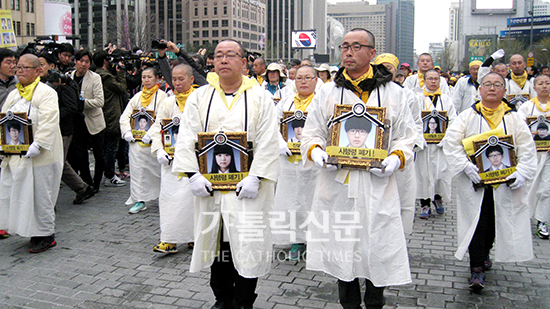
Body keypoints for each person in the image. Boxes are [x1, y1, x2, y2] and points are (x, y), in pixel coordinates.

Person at [300, 28, 415, 309]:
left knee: (378, 246)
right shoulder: (327, 92)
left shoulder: (394, 93)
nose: (348, 52)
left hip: (377, 185)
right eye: (344, 46)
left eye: (356, 46)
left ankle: (375, 301)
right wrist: (317, 154)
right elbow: (311, 133)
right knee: (343, 249)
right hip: (337, 184)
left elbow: (408, 136)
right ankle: (348, 304)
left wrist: (395, 159)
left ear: (372, 53)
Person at [171, 39, 279, 309]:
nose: (223, 60)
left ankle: (244, 300)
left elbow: (268, 140)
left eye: (231, 55)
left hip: (248, 188)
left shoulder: (260, 97)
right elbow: (186, 137)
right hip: (211, 188)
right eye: (218, 55)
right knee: (216, 243)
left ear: (244, 62)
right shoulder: (200, 96)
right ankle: (222, 298)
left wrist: (256, 176)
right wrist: (192, 174)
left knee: (247, 243)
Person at [442, 72, 537, 292]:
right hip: (475, 184)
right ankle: (476, 267)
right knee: (477, 221)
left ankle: (485, 253)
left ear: (504, 90)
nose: (492, 88)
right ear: (480, 89)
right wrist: (465, 166)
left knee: (495, 222)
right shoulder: (467, 116)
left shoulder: (514, 118)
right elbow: (451, 142)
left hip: (505, 185)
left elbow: (526, 148)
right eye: (487, 84)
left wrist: (521, 171)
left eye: (497, 85)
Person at [0, 53, 64, 253]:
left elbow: (49, 121)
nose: (19, 71)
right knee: (20, 194)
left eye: (24, 68)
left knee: (41, 197)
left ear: (38, 71)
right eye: (17, 67)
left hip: (41, 157)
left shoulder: (46, 92)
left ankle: (45, 234)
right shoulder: (14, 93)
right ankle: (26, 229)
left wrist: (38, 143)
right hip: (17, 154)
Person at [373, 53, 423, 234]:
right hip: (371, 156)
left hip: (398, 155)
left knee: (399, 198)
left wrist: (406, 149)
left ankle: (397, 237)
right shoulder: (367, 91)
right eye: (381, 66)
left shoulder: (406, 95)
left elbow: (416, 123)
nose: (385, 71)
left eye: (389, 67)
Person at [273, 65, 319, 260]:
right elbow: (272, 124)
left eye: (308, 77)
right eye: (300, 78)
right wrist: (280, 141)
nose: (303, 81)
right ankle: (295, 239)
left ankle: (314, 240)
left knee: (311, 201)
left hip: (313, 164)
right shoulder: (285, 103)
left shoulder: (321, 102)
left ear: (316, 80)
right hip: (289, 163)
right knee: (290, 201)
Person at [149, 64, 195, 254]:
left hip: (193, 160)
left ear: (191, 79)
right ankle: (169, 238)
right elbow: (156, 128)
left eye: (181, 79)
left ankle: (193, 236)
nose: (177, 83)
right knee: (169, 199)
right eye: (174, 79)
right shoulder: (167, 103)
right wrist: (158, 149)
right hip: (170, 161)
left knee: (191, 200)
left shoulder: (200, 100)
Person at [38, 51, 95, 205]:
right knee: (59, 164)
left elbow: (72, 108)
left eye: (41, 64)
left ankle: (50, 202)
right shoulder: (40, 84)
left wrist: (50, 115)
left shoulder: (65, 84)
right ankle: (82, 188)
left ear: (52, 66)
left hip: (63, 131)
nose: (39, 68)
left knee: (55, 165)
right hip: (48, 130)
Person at [120, 67, 167, 214]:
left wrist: (151, 134)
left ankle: (163, 199)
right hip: (137, 143)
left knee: (158, 173)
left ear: (156, 78)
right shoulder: (137, 97)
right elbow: (125, 115)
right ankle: (139, 200)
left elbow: (162, 118)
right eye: (144, 77)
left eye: (149, 77)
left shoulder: (162, 97)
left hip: (153, 143)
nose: (146, 80)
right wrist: (127, 131)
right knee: (138, 173)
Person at [415, 69, 457, 219]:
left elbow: (453, 120)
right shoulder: (418, 99)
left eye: (436, 79)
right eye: (430, 79)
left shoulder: (446, 99)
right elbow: (413, 120)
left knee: (441, 173)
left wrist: (447, 138)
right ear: (424, 81)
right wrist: (419, 139)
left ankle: (438, 199)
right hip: (424, 146)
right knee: (423, 175)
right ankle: (425, 203)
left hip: (441, 146)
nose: (433, 82)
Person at [517, 73, 550, 239]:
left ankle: (542, 220)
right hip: (531, 154)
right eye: (541, 83)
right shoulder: (526, 107)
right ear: (534, 87)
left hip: (549, 156)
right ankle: (523, 217)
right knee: (528, 186)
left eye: (547, 83)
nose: (544, 86)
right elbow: (520, 130)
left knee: (546, 188)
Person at [68, 50, 106, 194]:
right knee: (81, 155)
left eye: (86, 62)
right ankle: (87, 183)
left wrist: (80, 103)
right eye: (80, 60)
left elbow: (99, 101)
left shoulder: (95, 78)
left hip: (94, 122)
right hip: (78, 122)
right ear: (75, 61)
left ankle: (96, 183)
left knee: (99, 155)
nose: (83, 64)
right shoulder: (69, 77)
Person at [93, 50, 128, 187]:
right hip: (111, 115)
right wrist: (120, 74)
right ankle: (109, 175)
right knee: (111, 148)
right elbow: (122, 88)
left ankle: (106, 174)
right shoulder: (106, 77)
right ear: (105, 61)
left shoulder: (96, 75)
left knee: (106, 147)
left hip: (103, 114)